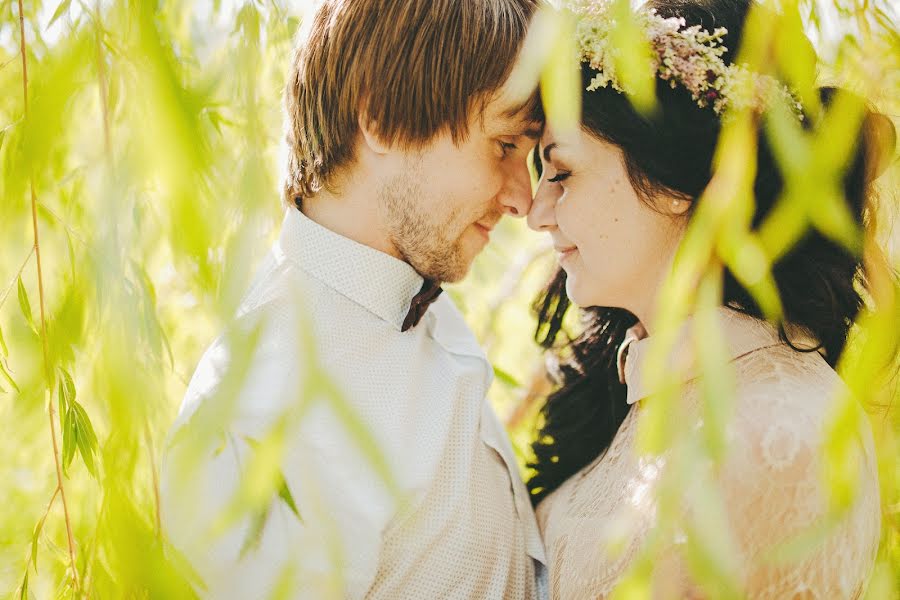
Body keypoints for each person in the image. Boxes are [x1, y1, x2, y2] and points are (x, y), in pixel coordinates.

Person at [160, 1, 547, 598]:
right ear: (384, 117)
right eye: (502, 145)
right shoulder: (262, 417)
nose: (524, 200)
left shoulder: (418, 299)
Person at [526, 0, 891, 597]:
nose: (536, 213)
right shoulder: (635, 388)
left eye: (561, 173)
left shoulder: (779, 439)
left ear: (672, 183)